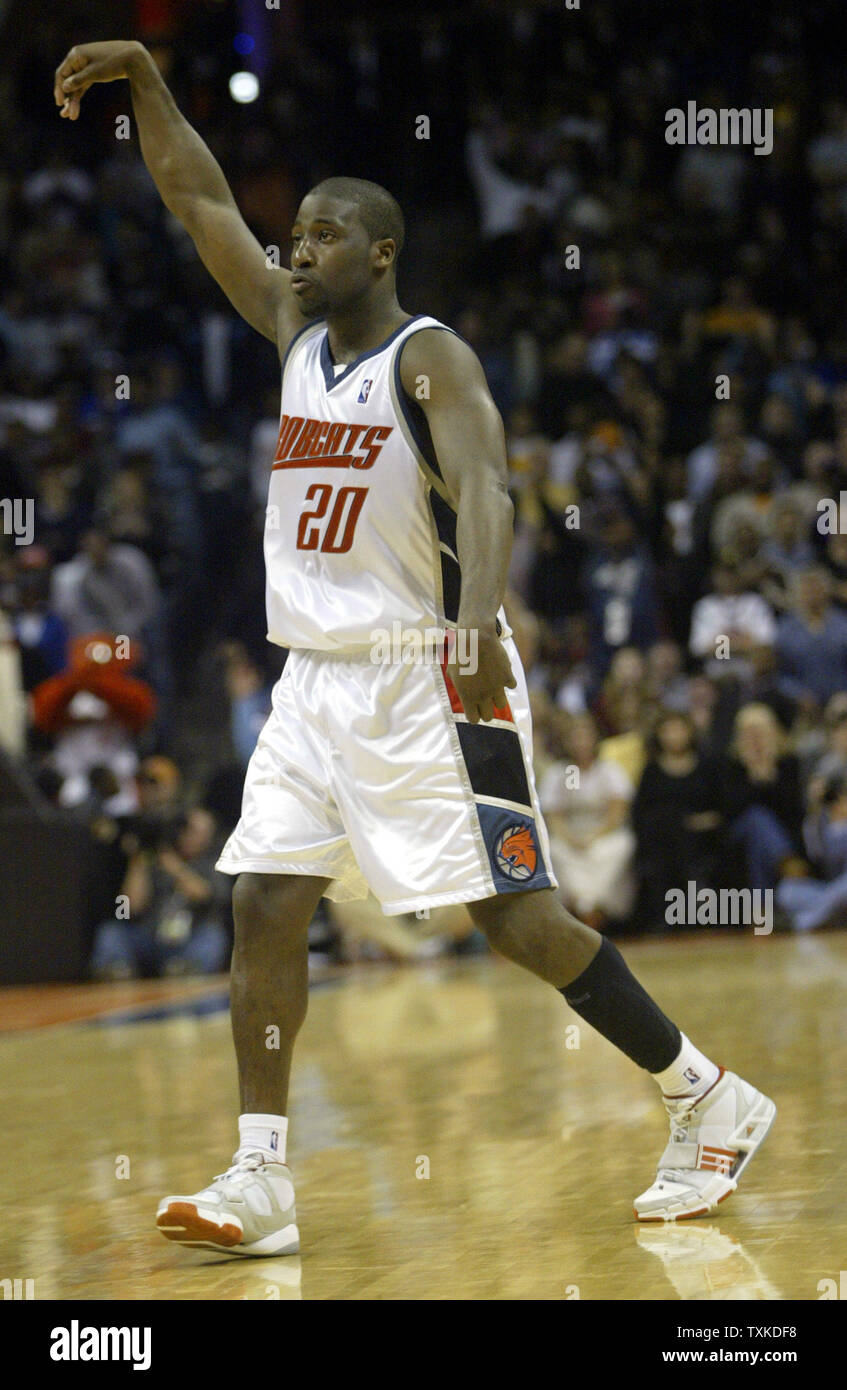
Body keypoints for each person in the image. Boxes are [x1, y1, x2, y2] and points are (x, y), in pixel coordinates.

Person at [55, 39, 776, 1253]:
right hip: (312, 679)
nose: (301, 249)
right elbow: (197, 197)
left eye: (328, 235)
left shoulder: (428, 356)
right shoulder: (290, 329)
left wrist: (475, 619)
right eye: (301, 234)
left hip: (429, 672)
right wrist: (144, 78)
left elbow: (488, 487)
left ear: (382, 253)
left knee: (517, 923)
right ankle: (263, 1176)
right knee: (266, 901)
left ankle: (704, 1092)